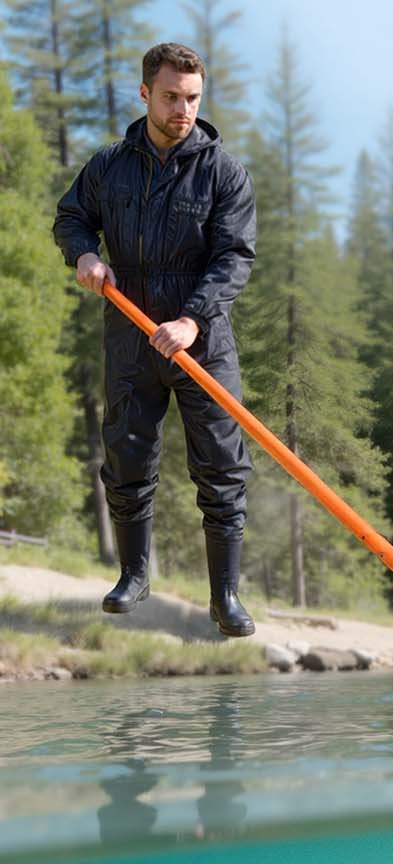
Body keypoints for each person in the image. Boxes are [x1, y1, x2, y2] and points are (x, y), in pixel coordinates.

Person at [53, 41, 257, 638]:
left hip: (203, 340)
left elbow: (234, 257)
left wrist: (193, 320)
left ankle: (226, 596)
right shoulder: (107, 166)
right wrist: (85, 253)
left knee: (222, 465)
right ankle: (133, 574)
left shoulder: (224, 173)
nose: (183, 110)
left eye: (193, 98)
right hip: (130, 330)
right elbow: (71, 217)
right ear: (145, 94)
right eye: (171, 97)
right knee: (126, 455)